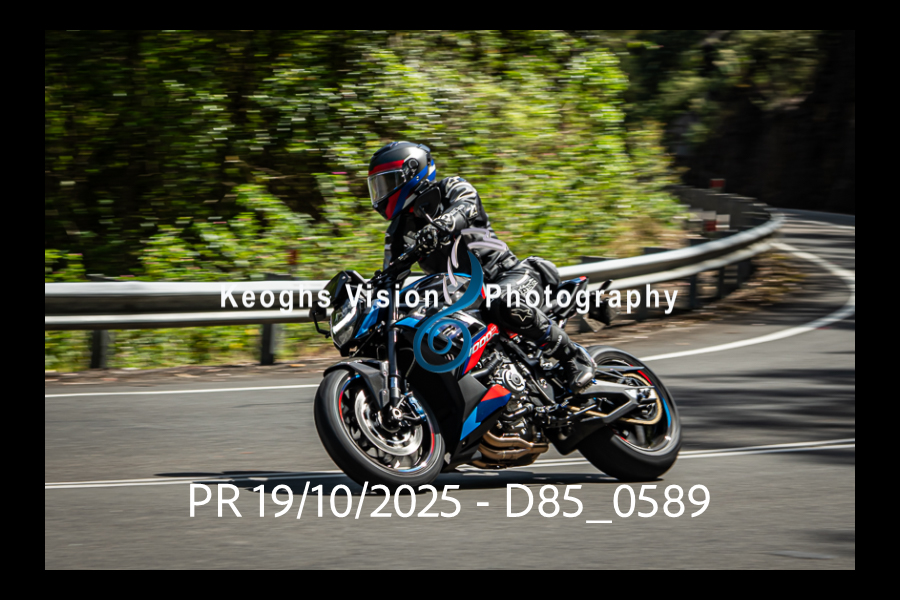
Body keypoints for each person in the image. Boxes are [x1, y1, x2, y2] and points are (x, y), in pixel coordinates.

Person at [366, 141, 594, 391]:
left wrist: (441, 224)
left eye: (387, 182)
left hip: (506, 276)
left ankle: (573, 357)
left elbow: (467, 206)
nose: (382, 192)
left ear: (413, 171)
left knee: (502, 301)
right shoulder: (398, 232)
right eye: (378, 185)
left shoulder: (450, 187)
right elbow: (389, 276)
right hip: (464, 298)